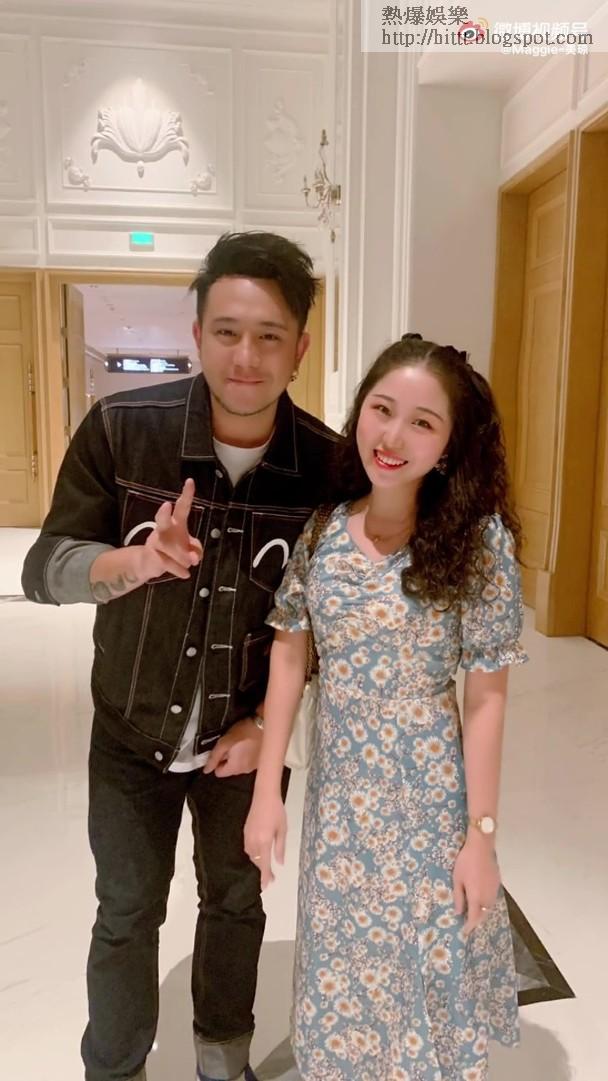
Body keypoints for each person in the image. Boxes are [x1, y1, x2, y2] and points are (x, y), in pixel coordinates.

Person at [21, 232, 341, 1081]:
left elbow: (332, 626)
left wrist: (267, 725)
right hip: (130, 730)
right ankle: (114, 1067)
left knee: (235, 902)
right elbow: (43, 568)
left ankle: (221, 1061)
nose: (246, 356)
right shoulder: (123, 429)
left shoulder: (326, 468)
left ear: (301, 347)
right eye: (227, 331)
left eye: (270, 335)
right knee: (126, 910)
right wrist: (132, 563)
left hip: (244, 743)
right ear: (197, 333)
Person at [244, 333, 527, 1081]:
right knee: (341, 964)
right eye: (382, 409)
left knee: (419, 966)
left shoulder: (477, 544)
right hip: (339, 806)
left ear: (450, 444)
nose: (393, 436)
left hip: (428, 805)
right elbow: (289, 655)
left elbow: (487, 696)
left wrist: (481, 837)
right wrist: (268, 791)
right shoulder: (324, 532)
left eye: (422, 422)